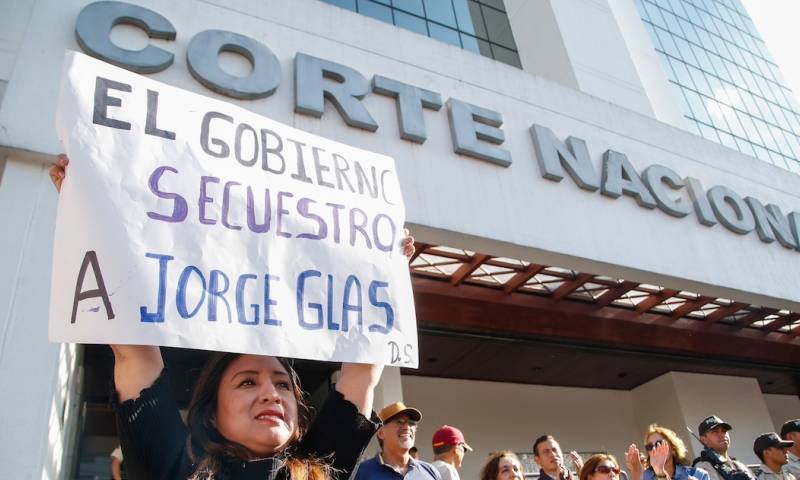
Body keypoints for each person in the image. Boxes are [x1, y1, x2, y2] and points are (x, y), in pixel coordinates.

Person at [49, 155, 417, 480]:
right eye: (246, 383)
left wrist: (385, 268)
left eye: (283, 384)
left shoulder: (320, 472)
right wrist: (91, 214)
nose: (271, 394)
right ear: (211, 415)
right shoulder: (173, 471)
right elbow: (136, 355)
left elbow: (363, 368)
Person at [354, 401, 441, 479]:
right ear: (381, 433)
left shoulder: (430, 472)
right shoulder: (361, 473)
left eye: (411, 423)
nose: (407, 427)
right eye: (399, 421)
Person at [625, 424, 710, 480]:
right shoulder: (644, 477)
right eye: (649, 447)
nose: (654, 448)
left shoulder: (698, 474)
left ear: (673, 449)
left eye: (659, 443)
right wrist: (636, 473)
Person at [692, 415, 755, 480]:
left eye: (724, 431)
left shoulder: (740, 465)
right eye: (715, 432)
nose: (722, 434)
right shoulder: (702, 466)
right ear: (703, 440)